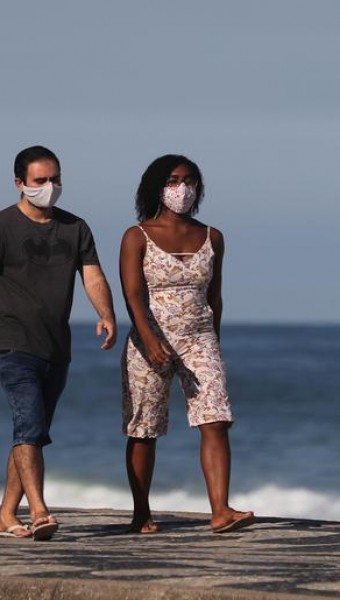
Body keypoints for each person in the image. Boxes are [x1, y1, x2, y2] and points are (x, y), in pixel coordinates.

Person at [0, 145, 117, 540]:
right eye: (40, 181)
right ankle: (39, 510)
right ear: (19, 183)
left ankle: (6, 515)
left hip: (57, 346)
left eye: (55, 179)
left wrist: (106, 314)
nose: (50, 187)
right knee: (29, 424)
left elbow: (92, 276)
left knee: (32, 431)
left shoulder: (76, 228)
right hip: (11, 341)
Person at [120, 154, 253, 534]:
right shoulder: (136, 235)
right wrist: (148, 338)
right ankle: (141, 512)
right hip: (150, 339)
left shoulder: (212, 236)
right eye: (174, 180)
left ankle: (221, 510)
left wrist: (214, 344)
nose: (183, 188)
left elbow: (216, 297)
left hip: (199, 338)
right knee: (144, 427)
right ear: (158, 187)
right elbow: (132, 294)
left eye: (190, 180)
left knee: (215, 418)